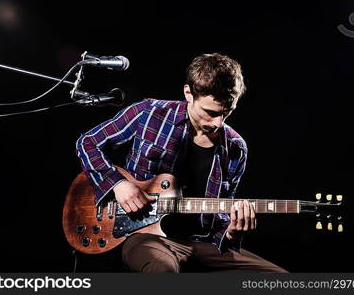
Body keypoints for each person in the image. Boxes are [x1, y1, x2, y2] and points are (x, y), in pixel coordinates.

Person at [76, 53, 286, 272]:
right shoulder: (150, 113)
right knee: (163, 271)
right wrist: (118, 184)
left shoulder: (235, 147)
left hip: (202, 244)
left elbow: (221, 221)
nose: (217, 123)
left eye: (227, 112)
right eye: (210, 112)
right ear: (188, 93)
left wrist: (232, 232)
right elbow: (88, 143)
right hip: (144, 236)